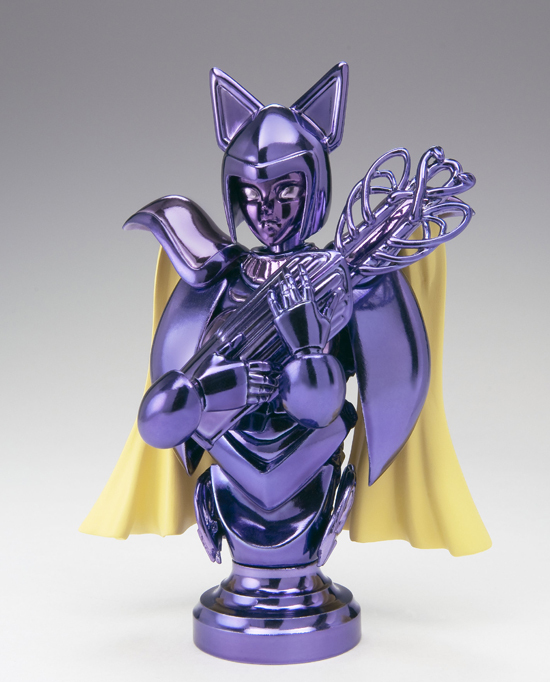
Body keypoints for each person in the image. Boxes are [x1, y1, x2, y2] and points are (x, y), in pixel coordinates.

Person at [81, 63, 490, 663]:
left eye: (286, 194)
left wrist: (306, 346)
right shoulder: (218, 277)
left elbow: (319, 399)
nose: (268, 212)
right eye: (252, 197)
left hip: (313, 468)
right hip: (229, 470)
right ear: (233, 196)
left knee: (312, 393)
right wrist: (218, 390)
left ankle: (301, 567)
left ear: (315, 189)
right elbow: (162, 418)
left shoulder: (347, 282)